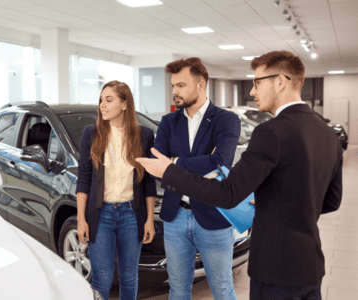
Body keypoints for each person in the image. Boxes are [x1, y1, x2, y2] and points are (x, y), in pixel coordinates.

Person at [136, 50, 343, 300]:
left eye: (257, 83)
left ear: (280, 81)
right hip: (310, 265)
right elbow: (331, 201)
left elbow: (227, 191)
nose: (252, 91)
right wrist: (273, 201)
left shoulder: (270, 132)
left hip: (276, 269)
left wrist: (170, 169)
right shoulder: (327, 132)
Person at [152, 57, 240, 300]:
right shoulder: (169, 122)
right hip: (175, 217)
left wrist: (174, 162)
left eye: (181, 85)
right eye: (173, 86)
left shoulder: (225, 119)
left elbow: (221, 162)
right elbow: (156, 165)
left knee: (222, 288)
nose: (174, 92)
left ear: (200, 85)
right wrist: (203, 162)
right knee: (178, 289)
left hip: (213, 216)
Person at [76, 80, 157, 300]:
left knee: (129, 278)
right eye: (101, 100)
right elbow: (83, 178)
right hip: (100, 214)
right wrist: (81, 219)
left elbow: (149, 182)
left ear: (124, 104)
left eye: (109, 100)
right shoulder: (91, 134)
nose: (102, 105)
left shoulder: (144, 135)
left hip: (132, 214)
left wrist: (149, 219)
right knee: (101, 278)